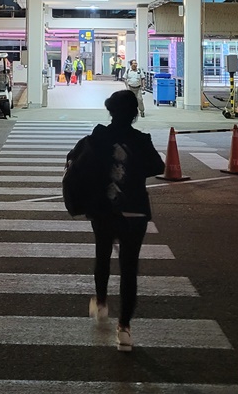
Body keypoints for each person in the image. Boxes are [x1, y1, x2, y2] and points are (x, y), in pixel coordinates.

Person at [66, 90, 165, 352]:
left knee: (102, 254)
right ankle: (124, 330)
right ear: (134, 114)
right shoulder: (141, 140)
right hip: (135, 212)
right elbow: (159, 167)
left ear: (110, 111)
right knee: (129, 268)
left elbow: (73, 160)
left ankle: (100, 303)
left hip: (103, 209)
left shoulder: (98, 137)